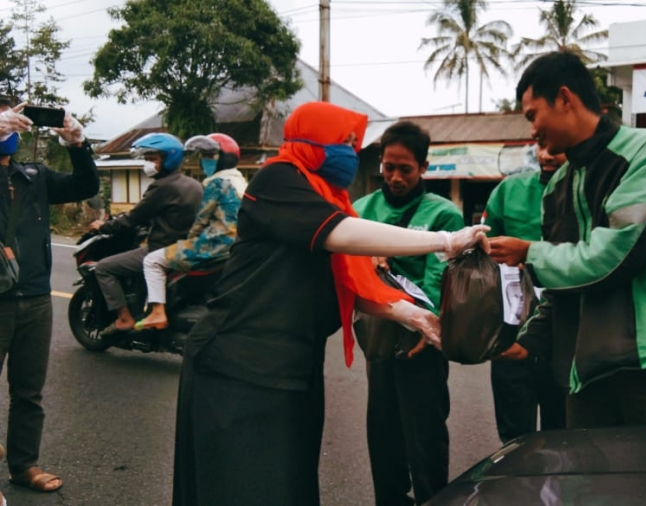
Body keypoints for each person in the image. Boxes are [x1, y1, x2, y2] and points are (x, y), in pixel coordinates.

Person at [172, 101, 489, 506]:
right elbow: (342, 236)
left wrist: (412, 315)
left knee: (290, 483)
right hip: (238, 365)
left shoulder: (328, 196)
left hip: (291, 366)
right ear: (311, 141)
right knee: (245, 486)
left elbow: (348, 279)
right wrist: (447, 241)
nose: (351, 152)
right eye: (345, 141)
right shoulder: (277, 179)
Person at [489, 51, 646, 429]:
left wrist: (530, 253)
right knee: (590, 488)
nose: (532, 130)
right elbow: (562, 282)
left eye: (532, 115)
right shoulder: (558, 185)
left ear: (565, 99)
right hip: (584, 374)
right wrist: (531, 340)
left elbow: (618, 254)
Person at [353, 121, 461, 506]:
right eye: (388, 168)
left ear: (424, 167)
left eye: (406, 170)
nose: (396, 178)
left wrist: (426, 328)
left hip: (425, 338)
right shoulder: (360, 211)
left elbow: (440, 279)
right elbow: (346, 271)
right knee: (383, 433)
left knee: (425, 435)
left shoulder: (444, 215)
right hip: (379, 335)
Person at [0, 99, 99, 496]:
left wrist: (78, 144)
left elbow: (86, 185)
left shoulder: (32, 176)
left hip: (36, 296)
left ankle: (24, 465)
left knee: (28, 390)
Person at [482, 145, 567, 443]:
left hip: (568, 336)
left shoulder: (591, 195)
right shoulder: (508, 191)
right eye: (541, 145)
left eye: (557, 146)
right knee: (515, 441)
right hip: (512, 332)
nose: (547, 155)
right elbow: (484, 253)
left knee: (566, 439)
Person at [89, 133, 203, 335]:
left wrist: (103, 226)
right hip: (186, 247)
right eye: (147, 159)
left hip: (161, 248)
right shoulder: (194, 184)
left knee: (104, 268)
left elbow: (133, 218)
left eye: (153, 159)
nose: (148, 164)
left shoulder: (162, 186)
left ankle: (124, 318)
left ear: (169, 159)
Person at [135, 133, 247, 330]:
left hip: (213, 245)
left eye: (208, 156)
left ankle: (157, 312)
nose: (204, 162)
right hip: (236, 247)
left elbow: (201, 219)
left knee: (152, 261)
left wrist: (189, 239)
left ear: (223, 158)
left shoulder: (216, 182)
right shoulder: (241, 182)